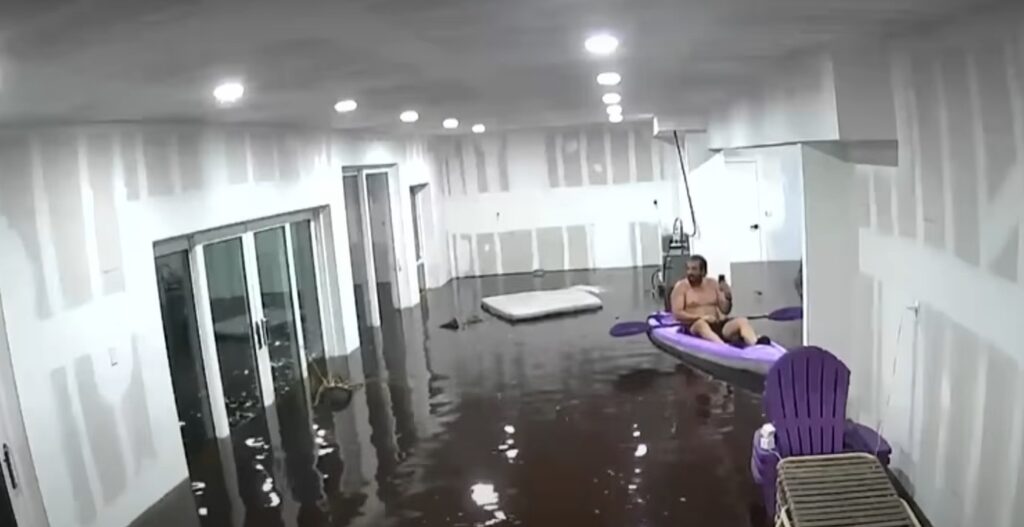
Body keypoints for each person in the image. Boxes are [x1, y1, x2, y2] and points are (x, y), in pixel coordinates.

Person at [670, 255, 770, 346]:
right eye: (688, 269)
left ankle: (755, 344)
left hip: (718, 325)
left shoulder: (713, 284)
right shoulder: (681, 287)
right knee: (701, 324)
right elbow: (678, 314)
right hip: (694, 327)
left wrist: (728, 297)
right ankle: (723, 347)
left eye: (694, 269)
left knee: (742, 321)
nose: (690, 272)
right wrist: (702, 317)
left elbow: (725, 310)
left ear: (703, 271)